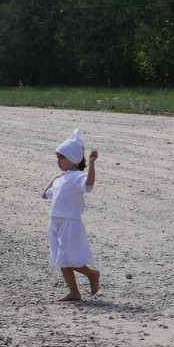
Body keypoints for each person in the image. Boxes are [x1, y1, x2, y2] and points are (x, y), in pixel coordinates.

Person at [42, 127, 100, 302]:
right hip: (56, 222)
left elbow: (89, 183)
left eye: (62, 158)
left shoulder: (77, 176)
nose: (58, 161)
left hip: (70, 222)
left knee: (69, 258)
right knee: (61, 259)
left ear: (74, 159)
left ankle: (92, 274)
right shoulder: (61, 178)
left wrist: (92, 164)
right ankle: (74, 292)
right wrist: (54, 178)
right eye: (58, 158)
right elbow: (45, 194)